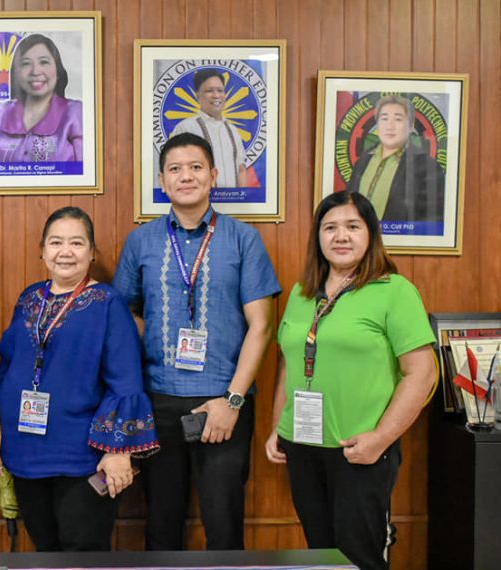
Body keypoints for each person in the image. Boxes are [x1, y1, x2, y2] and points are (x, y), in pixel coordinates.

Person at [113, 133, 280, 550]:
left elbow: (261, 326)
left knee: (224, 528)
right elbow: (122, 314)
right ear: (162, 181)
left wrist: (234, 402)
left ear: (213, 175)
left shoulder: (244, 239)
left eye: (195, 167)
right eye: (175, 169)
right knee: (161, 526)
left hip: (224, 404)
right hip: (158, 403)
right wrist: (154, 336)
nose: (185, 176)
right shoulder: (141, 241)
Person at [265, 190, 437, 570]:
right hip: (303, 447)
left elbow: (422, 373)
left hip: (360, 450)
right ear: (318, 238)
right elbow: (288, 363)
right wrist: (279, 425)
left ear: (371, 235)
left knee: (359, 558)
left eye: (352, 226)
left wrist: (380, 439)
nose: (340, 236)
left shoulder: (394, 291)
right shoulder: (302, 292)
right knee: (320, 556)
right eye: (330, 228)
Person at [0, 207, 158, 552]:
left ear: (92, 253)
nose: (66, 251)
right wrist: (0, 432)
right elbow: (10, 367)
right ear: (42, 250)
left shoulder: (108, 304)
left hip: (84, 459)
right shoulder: (29, 298)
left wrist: (118, 449)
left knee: (83, 554)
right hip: (25, 453)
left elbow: (126, 381)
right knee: (44, 553)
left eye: (77, 243)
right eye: (56, 242)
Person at [0, 34, 82, 163]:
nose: (35, 71)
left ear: (58, 71)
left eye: (44, 62)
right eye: (26, 63)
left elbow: (88, 173)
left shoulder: (76, 113)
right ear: (16, 73)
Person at [346, 95, 445, 224]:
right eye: (384, 119)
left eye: (398, 119)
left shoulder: (427, 166)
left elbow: (433, 218)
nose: (390, 126)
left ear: (410, 126)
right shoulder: (363, 161)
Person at [171, 69, 248, 188]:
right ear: (197, 95)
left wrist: (242, 201)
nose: (216, 95)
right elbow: (175, 170)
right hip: (199, 203)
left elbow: (241, 170)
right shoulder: (186, 128)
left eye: (220, 90)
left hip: (232, 203)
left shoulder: (232, 130)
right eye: (209, 91)